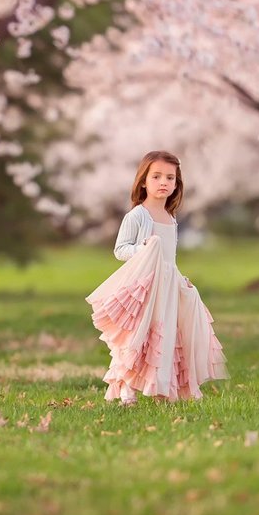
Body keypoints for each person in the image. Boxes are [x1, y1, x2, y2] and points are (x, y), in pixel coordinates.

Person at [86, 150, 228, 404]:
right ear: (143, 181)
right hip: (143, 285)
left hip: (167, 285)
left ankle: (161, 384)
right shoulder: (138, 215)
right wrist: (143, 249)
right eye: (157, 176)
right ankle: (126, 385)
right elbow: (120, 249)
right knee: (137, 335)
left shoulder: (171, 218)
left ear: (176, 184)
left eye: (170, 178)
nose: (164, 182)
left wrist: (180, 279)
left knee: (164, 335)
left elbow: (169, 258)